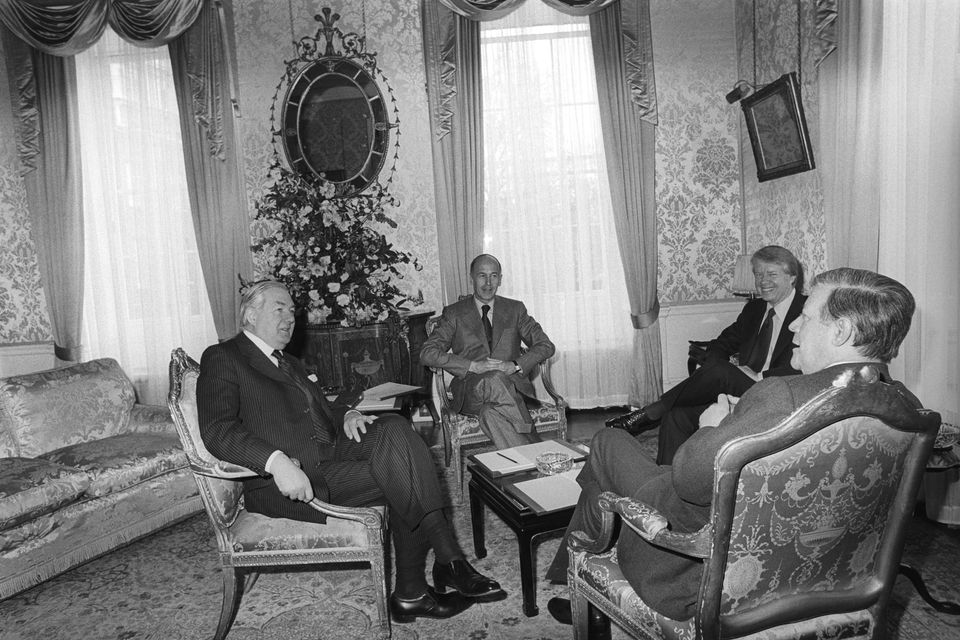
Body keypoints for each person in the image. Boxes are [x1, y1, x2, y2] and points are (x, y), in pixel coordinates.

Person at [546, 267, 921, 625]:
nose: (793, 324)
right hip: (837, 578)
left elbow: (688, 482)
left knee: (606, 443)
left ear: (840, 331)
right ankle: (575, 577)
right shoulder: (909, 410)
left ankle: (580, 578)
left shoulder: (782, 395)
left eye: (805, 317)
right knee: (603, 478)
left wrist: (713, 427)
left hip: (701, 574)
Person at [197, 280, 505, 624]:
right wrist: (275, 461)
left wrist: (349, 413)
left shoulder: (289, 362)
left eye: (292, 310)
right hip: (290, 480)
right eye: (279, 308)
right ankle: (435, 573)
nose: (290, 318)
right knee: (403, 472)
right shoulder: (224, 357)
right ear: (251, 315)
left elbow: (322, 408)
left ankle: (425, 583)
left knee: (395, 428)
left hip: (331, 455)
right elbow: (217, 429)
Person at [608, 245, 806, 465]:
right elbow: (722, 343)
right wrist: (718, 371)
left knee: (721, 371)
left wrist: (757, 376)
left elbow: (803, 365)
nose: (763, 281)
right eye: (758, 274)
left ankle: (650, 413)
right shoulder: (755, 309)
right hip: (742, 393)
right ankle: (666, 480)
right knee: (677, 417)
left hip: (776, 393)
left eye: (772, 274)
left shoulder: (805, 311)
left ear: (792, 278)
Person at [420, 253, 556, 449]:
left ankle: (527, 467)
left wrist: (515, 366)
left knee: (489, 414)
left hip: (514, 389)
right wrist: (473, 366)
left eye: (493, 276)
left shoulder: (515, 309)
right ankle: (538, 447)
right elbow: (427, 353)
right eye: (482, 275)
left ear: (500, 278)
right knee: (493, 378)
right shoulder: (454, 313)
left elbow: (546, 346)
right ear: (471, 277)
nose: (488, 282)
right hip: (471, 391)